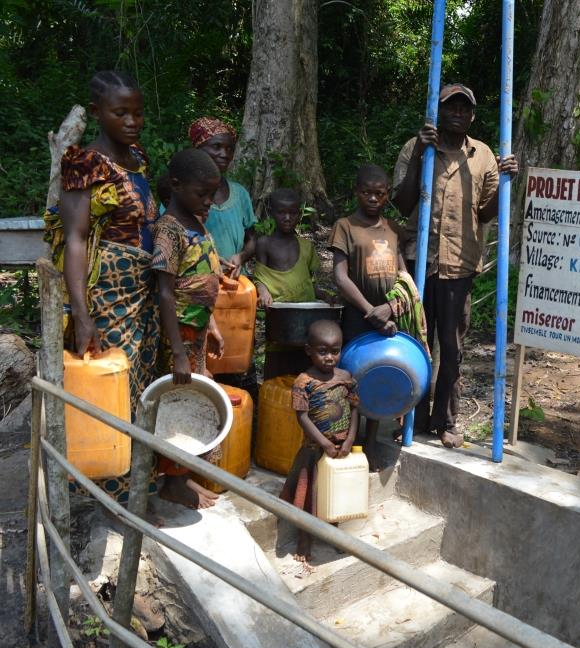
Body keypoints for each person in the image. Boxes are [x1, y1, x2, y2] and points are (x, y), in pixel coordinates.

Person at [44, 70, 160, 503]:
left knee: (140, 387)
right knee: (110, 384)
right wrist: (81, 313)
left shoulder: (139, 158)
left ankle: (136, 485)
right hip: (108, 291)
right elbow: (75, 238)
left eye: (138, 113)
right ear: (96, 113)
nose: (132, 121)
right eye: (120, 112)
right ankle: (104, 491)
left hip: (144, 291)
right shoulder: (84, 162)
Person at [392, 83, 518, 448]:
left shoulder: (483, 156)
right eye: (451, 108)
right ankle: (411, 417)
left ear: (472, 115)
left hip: (459, 266)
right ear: (440, 112)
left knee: (451, 348)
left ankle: (445, 421)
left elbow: (484, 212)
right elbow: (401, 203)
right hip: (418, 261)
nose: (458, 114)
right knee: (415, 344)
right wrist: (420, 151)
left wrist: (507, 183)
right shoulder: (415, 148)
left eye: (465, 109)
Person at [151, 148, 231, 509]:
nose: (207, 201)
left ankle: (183, 476)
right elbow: (166, 293)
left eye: (211, 194)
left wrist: (211, 324)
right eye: (201, 193)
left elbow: (203, 278)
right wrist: (179, 353)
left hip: (196, 330)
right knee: (177, 405)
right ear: (176, 186)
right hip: (177, 334)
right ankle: (172, 482)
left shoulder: (198, 223)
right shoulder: (169, 229)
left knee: (197, 400)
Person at [330, 165, 405, 457]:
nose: (373, 198)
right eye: (366, 192)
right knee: (353, 376)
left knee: (378, 377)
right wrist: (370, 310)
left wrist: (390, 308)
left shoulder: (392, 229)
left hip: (388, 317)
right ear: (356, 192)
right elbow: (340, 277)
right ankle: (349, 438)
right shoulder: (345, 227)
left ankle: (371, 441)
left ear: (387, 195)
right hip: (357, 316)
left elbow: (404, 278)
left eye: (379, 193)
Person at [279, 319, 358, 563]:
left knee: (336, 493)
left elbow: (355, 409)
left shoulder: (346, 377)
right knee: (310, 496)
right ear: (309, 350)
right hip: (314, 450)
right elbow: (301, 416)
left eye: (335, 351)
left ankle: (333, 532)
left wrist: (350, 439)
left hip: (342, 450)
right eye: (322, 352)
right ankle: (305, 538)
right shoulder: (304, 382)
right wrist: (323, 443)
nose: (329, 358)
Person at [234, 187, 322, 378]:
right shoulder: (264, 243)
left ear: (299, 214)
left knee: (306, 363)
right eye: (282, 212)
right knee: (277, 367)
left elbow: (313, 282)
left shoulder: (307, 247)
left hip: (306, 317)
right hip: (280, 318)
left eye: (292, 213)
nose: (287, 218)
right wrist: (263, 292)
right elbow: (259, 278)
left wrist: (327, 296)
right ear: (272, 213)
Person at [188, 117, 256, 264]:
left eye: (229, 149)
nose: (224, 154)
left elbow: (251, 239)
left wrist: (241, 256)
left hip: (235, 280)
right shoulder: (184, 194)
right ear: (198, 149)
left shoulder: (240, 194)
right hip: (196, 281)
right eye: (216, 146)